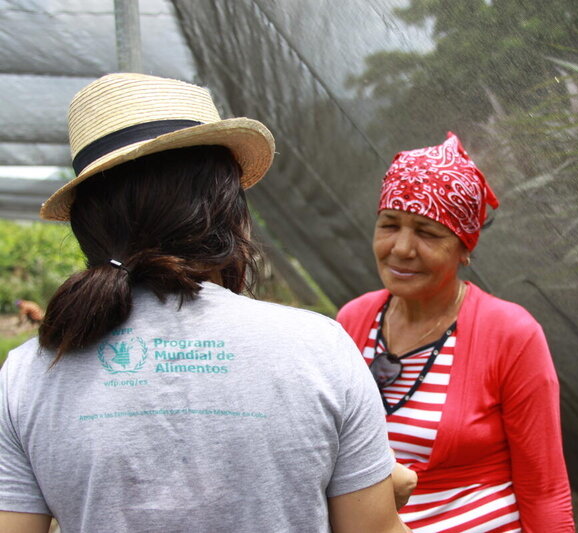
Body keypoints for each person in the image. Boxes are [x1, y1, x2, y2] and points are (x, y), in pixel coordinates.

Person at [0, 73, 408, 533]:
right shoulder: (318, 348)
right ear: (228, 209)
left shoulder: (29, 375)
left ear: (87, 225)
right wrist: (382, 496)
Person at [337, 132, 575, 532]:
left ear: (465, 247)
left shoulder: (510, 335)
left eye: (428, 233)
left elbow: (546, 490)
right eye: (389, 225)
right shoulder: (353, 321)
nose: (401, 248)